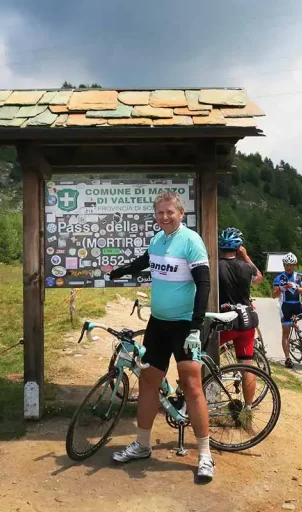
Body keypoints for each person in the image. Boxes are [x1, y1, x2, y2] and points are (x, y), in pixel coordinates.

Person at [107, 191, 214, 482]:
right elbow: (144, 261)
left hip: (183, 326)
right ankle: (142, 444)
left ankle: (204, 454)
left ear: (181, 213)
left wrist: (195, 326)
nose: (164, 217)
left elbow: (204, 284)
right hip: (158, 324)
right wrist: (118, 271)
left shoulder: (191, 241)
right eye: (160, 213)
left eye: (170, 212)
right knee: (149, 381)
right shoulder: (158, 239)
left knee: (192, 385)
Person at [216, 227, 263, 409]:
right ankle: (248, 408)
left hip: (225, 322)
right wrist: (246, 256)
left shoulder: (216, 266)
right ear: (238, 247)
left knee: (201, 354)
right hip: (246, 321)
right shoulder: (246, 267)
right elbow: (258, 278)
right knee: (247, 366)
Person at [272, 252, 302, 369]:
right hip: (285, 307)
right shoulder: (279, 278)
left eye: (291, 265)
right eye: (287, 265)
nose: (289, 267)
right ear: (284, 265)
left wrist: (295, 286)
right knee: (286, 332)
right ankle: (287, 358)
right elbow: (274, 295)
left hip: (298, 305)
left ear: (295, 265)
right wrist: (281, 288)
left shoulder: (299, 276)